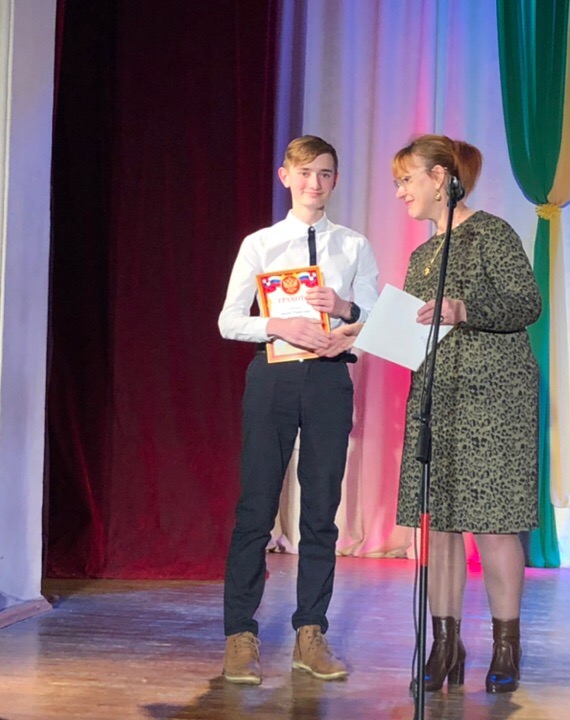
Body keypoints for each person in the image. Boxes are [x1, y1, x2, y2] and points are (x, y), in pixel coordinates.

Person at [217, 135, 379, 685]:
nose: (315, 183)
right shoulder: (261, 243)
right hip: (274, 376)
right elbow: (228, 320)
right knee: (256, 506)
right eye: (305, 172)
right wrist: (277, 323)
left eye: (326, 173)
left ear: (336, 180)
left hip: (330, 378)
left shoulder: (353, 245)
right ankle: (240, 634)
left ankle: (311, 633)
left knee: (321, 510)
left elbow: (373, 320)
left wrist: (345, 309)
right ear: (285, 176)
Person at [392, 134, 541, 694]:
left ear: (439, 179)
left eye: (407, 179)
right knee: (442, 525)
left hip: (495, 398)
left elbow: (527, 303)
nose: (400, 191)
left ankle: (506, 647)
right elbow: (413, 328)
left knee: (495, 524)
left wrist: (464, 308)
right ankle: (445, 645)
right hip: (440, 396)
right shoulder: (422, 256)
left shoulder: (490, 233)